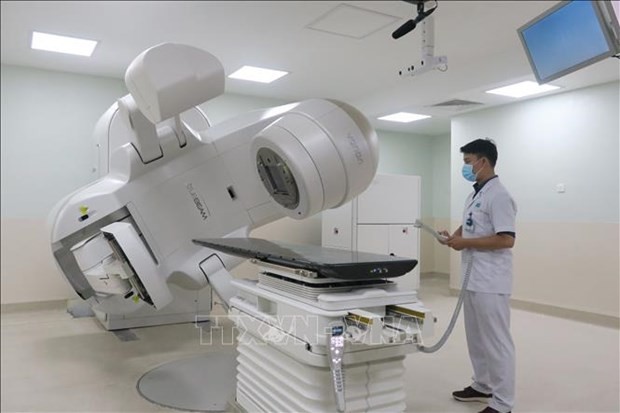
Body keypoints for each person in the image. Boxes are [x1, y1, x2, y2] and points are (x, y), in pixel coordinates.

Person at [438, 138, 517, 413]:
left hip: (491, 281)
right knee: (476, 336)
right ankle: (482, 385)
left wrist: (467, 243)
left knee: (496, 340)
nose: (466, 168)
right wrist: (455, 236)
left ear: (483, 161)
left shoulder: (500, 196)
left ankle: (503, 402)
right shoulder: (476, 193)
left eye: (468, 162)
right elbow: (473, 222)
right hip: (472, 278)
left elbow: (506, 239)